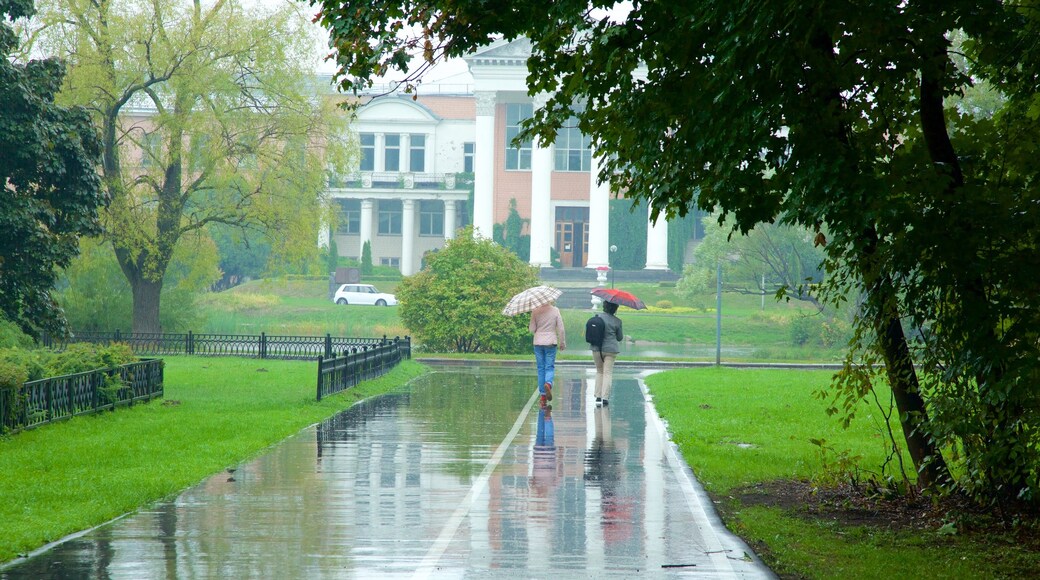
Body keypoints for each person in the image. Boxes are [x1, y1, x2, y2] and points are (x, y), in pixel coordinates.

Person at [530, 301, 566, 405]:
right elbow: (561, 329)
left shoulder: (535, 311)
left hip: (538, 342)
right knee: (549, 367)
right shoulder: (555, 310)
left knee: (541, 368)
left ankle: (543, 396)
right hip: (551, 342)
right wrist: (562, 342)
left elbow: (532, 329)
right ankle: (548, 384)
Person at [592, 301, 623, 406]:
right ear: (615, 309)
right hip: (611, 349)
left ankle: (598, 396)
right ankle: (605, 397)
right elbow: (619, 338)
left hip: (597, 348)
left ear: (604, 307)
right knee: (607, 372)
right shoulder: (617, 321)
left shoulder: (597, 317)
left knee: (599, 372)